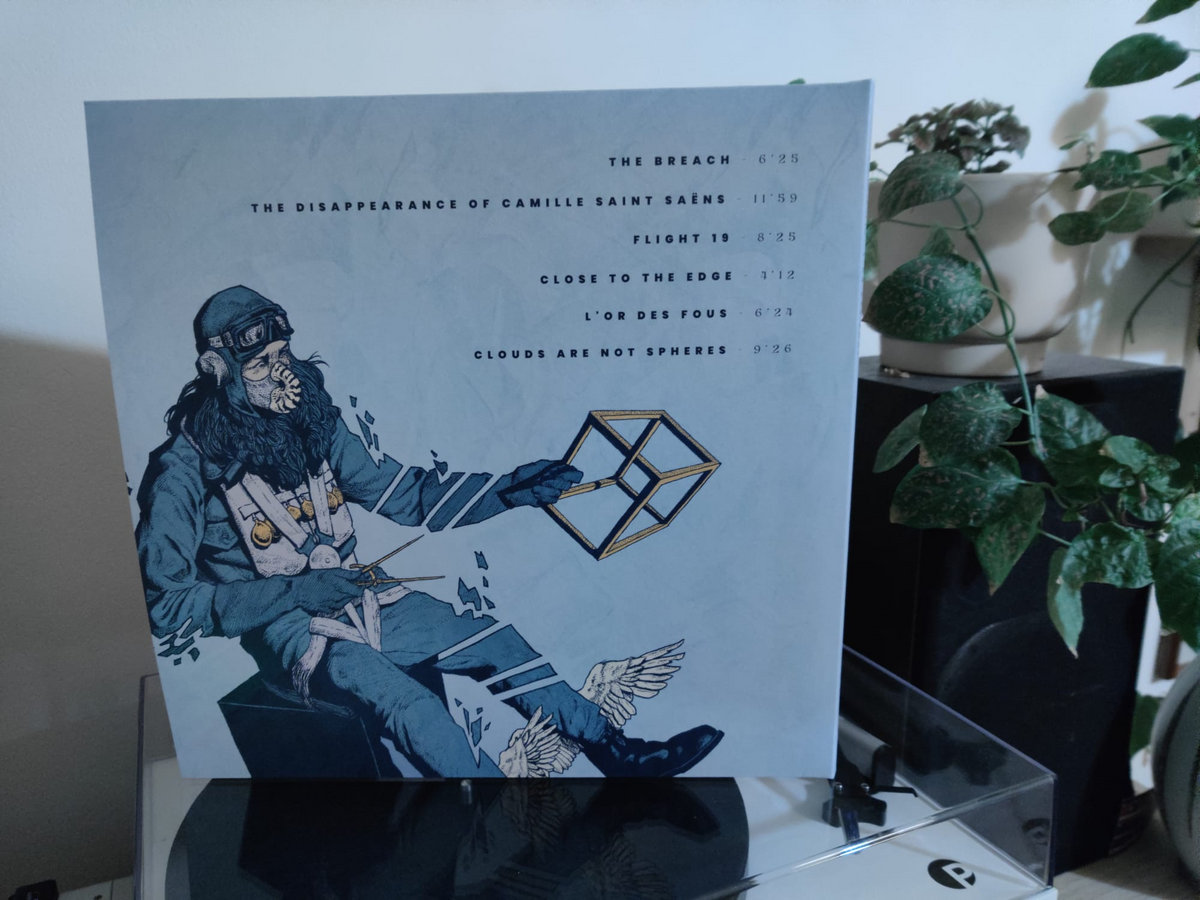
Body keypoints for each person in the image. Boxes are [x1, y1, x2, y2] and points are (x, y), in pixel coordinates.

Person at [135, 285, 721, 777]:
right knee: (413, 708)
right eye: (260, 365)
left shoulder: (312, 421)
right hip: (290, 629)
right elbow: (165, 606)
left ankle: (615, 753)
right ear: (217, 369)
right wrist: (294, 592)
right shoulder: (179, 471)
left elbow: (405, 493)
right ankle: (500, 819)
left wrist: (506, 490)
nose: (281, 374)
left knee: (494, 642)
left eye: (282, 354)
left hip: (362, 595)